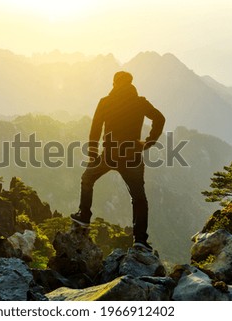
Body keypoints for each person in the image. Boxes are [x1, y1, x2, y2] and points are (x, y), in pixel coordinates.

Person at [71, 71, 165, 251]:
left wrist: (92, 152)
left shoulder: (106, 102)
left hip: (109, 155)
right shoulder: (140, 103)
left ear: (114, 83)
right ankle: (140, 239)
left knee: (87, 179)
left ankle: (84, 216)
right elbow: (160, 118)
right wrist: (148, 142)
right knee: (139, 197)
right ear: (130, 83)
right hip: (132, 156)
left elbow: (96, 126)